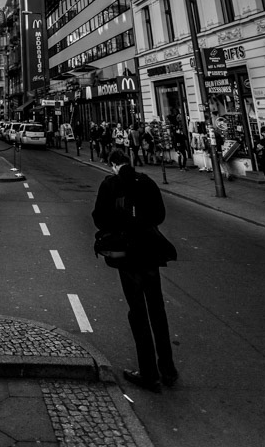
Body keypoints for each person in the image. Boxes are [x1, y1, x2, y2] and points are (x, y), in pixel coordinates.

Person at [92, 150, 179, 393]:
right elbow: (159, 215)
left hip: (127, 255)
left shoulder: (110, 184)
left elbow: (100, 218)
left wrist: (119, 226)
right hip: (150, 252)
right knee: (157, 310)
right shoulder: (147, 182)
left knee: (138, 313)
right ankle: (168, 369)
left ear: (113, 165)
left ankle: (149, 373)